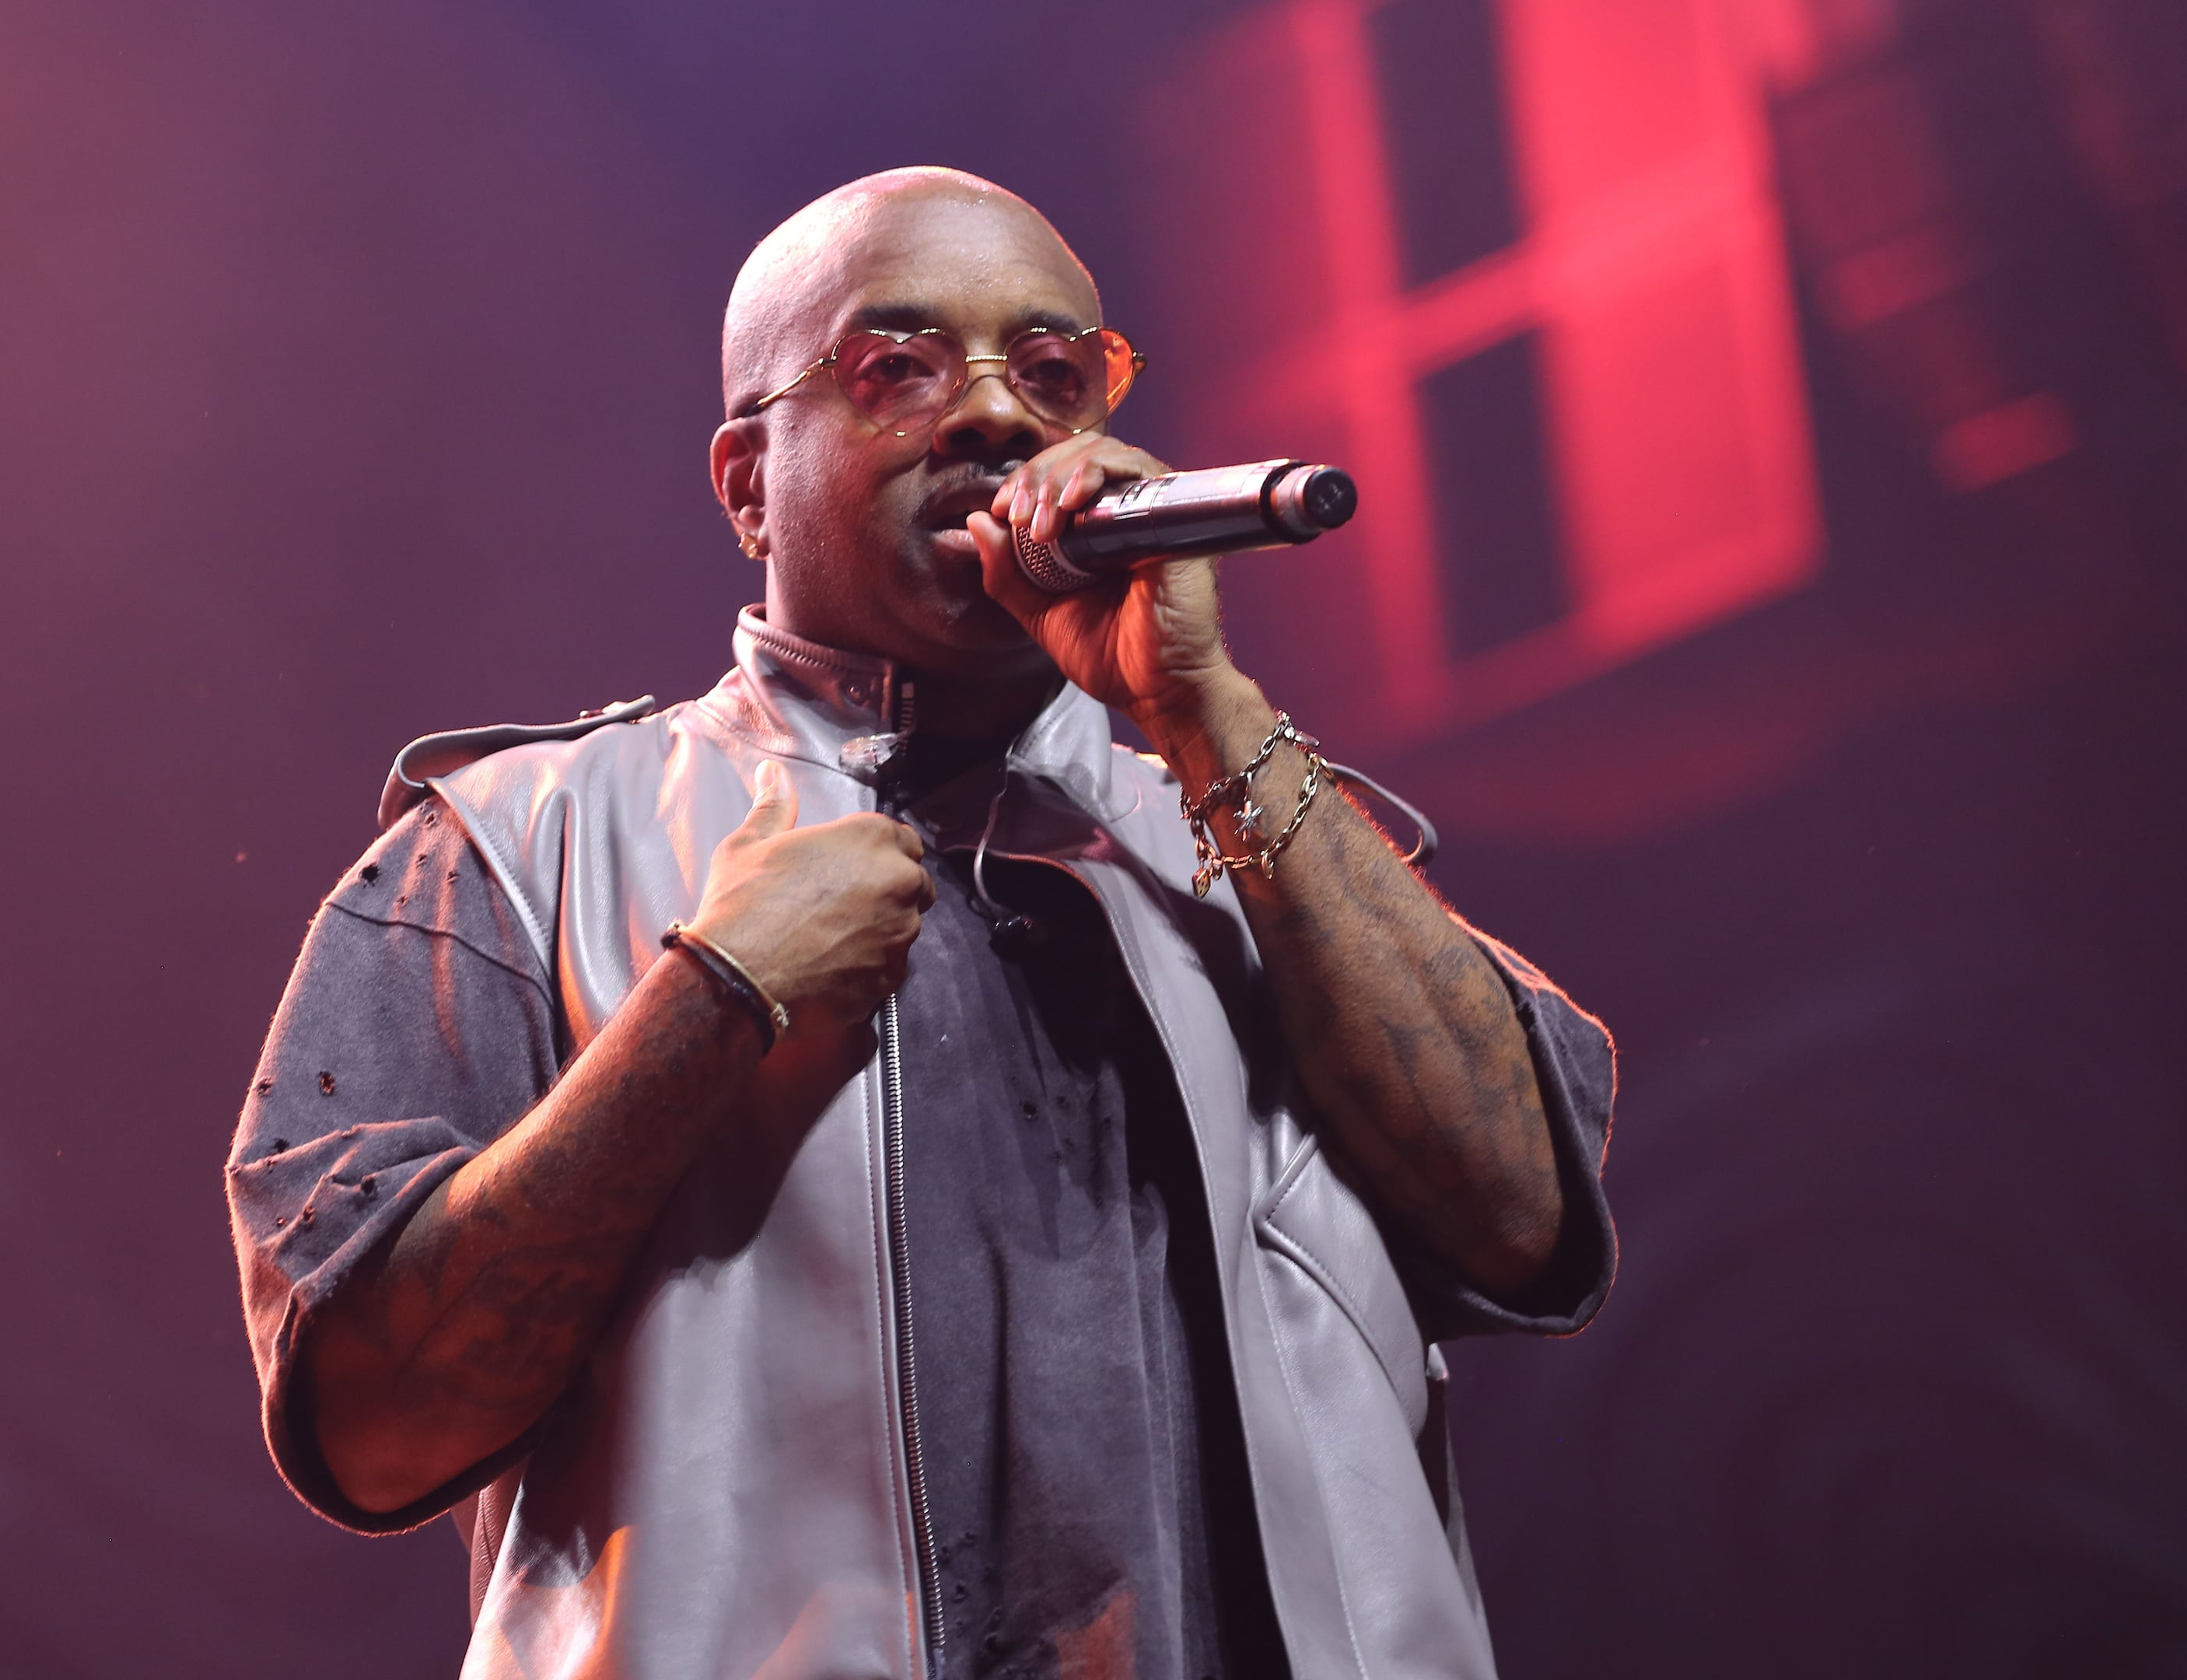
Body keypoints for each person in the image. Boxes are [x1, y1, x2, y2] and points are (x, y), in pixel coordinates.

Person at [227, 167, 1616, 1680]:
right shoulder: (508, 851)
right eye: (898, 368)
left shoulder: (1261, 828)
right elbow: (367, 1427)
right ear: (747, 479)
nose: (996, 420)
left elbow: (1528, 1222)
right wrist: (713, 999)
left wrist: (1206, 712)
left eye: (1053, 375)